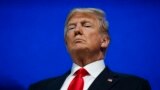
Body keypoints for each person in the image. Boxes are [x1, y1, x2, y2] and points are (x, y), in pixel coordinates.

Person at [29, 8, 151, 90]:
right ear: (66, 43)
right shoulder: (38, 88)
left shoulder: (133, 86)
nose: (77, 30)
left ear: (104, 41)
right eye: (71, 27)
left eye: (86, 25)